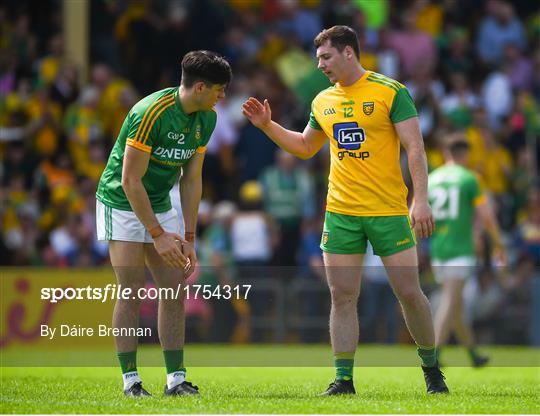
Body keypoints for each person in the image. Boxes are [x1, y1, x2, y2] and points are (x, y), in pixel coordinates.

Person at [242, 25, 448, 395]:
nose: (320, 65)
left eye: (326, 57)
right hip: (340, 212)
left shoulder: (391, 92)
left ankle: (432, 369)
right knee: (342, 296)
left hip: (387, 210)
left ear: (349, 52)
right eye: (318, 58)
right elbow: (306, 147)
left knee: (410, 293)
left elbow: (415, 148)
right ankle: (343, 380)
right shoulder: (322, 101)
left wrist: (420, 199)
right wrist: (268, 125)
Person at [95, 50, 232, 397]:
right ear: (200, 87)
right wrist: (157, 235)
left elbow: (190, 180)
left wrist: (188, 236)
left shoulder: (207, 119)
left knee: (175, 288)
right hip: (121, 202)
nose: (223, 96)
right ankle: (131, 382)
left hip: (159, 200)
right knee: (131, 288)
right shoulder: (149, 112)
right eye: (219, 89)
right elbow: (130, 181)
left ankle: (175, 380)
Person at [429, 136, 506, 367]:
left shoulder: (432, 179)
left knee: (456, 304)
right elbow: (487, 217)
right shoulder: (470, 179)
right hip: (461, 249)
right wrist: (498, 245)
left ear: (446, 153)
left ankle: (473, 354)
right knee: (450, 302)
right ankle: (432, 355)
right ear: (465, 155)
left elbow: (417, 211)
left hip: (438, 248)